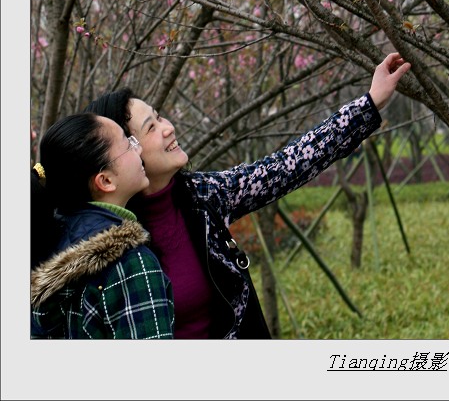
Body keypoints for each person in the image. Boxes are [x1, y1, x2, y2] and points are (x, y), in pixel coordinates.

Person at [86, 51, 411, 339]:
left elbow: (289, 166)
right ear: (124, 153)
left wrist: (370, 102)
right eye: (151, 128)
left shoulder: (203, 197)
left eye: (159, 117)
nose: (168, 127)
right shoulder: (101, 243)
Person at [30, 112, 175, 339]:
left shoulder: (46, 242)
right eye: (128, 144)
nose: (138, 149)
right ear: (106, 181)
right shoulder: (132, 264)